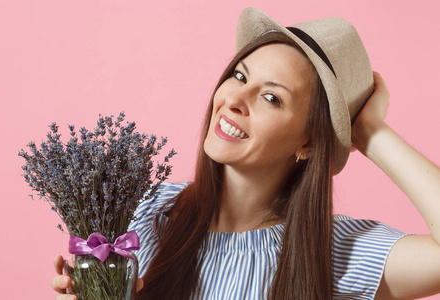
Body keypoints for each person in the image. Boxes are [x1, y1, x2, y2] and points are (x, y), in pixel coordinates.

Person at [51, 7, 440, 300]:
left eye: (271, 97)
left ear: (308, 143)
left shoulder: (328, 250)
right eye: (239, 76)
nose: (235, 99)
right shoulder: (147, 214)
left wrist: (371, 133)